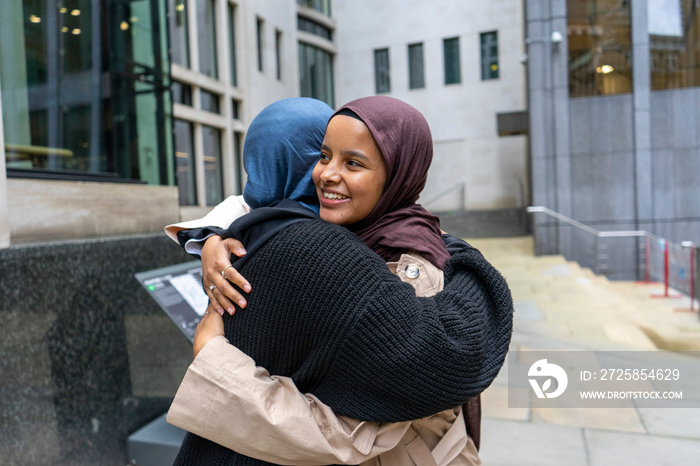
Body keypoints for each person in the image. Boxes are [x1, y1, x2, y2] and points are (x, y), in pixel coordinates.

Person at [166, 97, 513, 465]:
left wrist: (217, 364)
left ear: (397, 172)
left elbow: (375, 418)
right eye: (323, 155)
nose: (327, 174)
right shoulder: (317, 240)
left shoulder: (400, 253)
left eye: (353, 162)